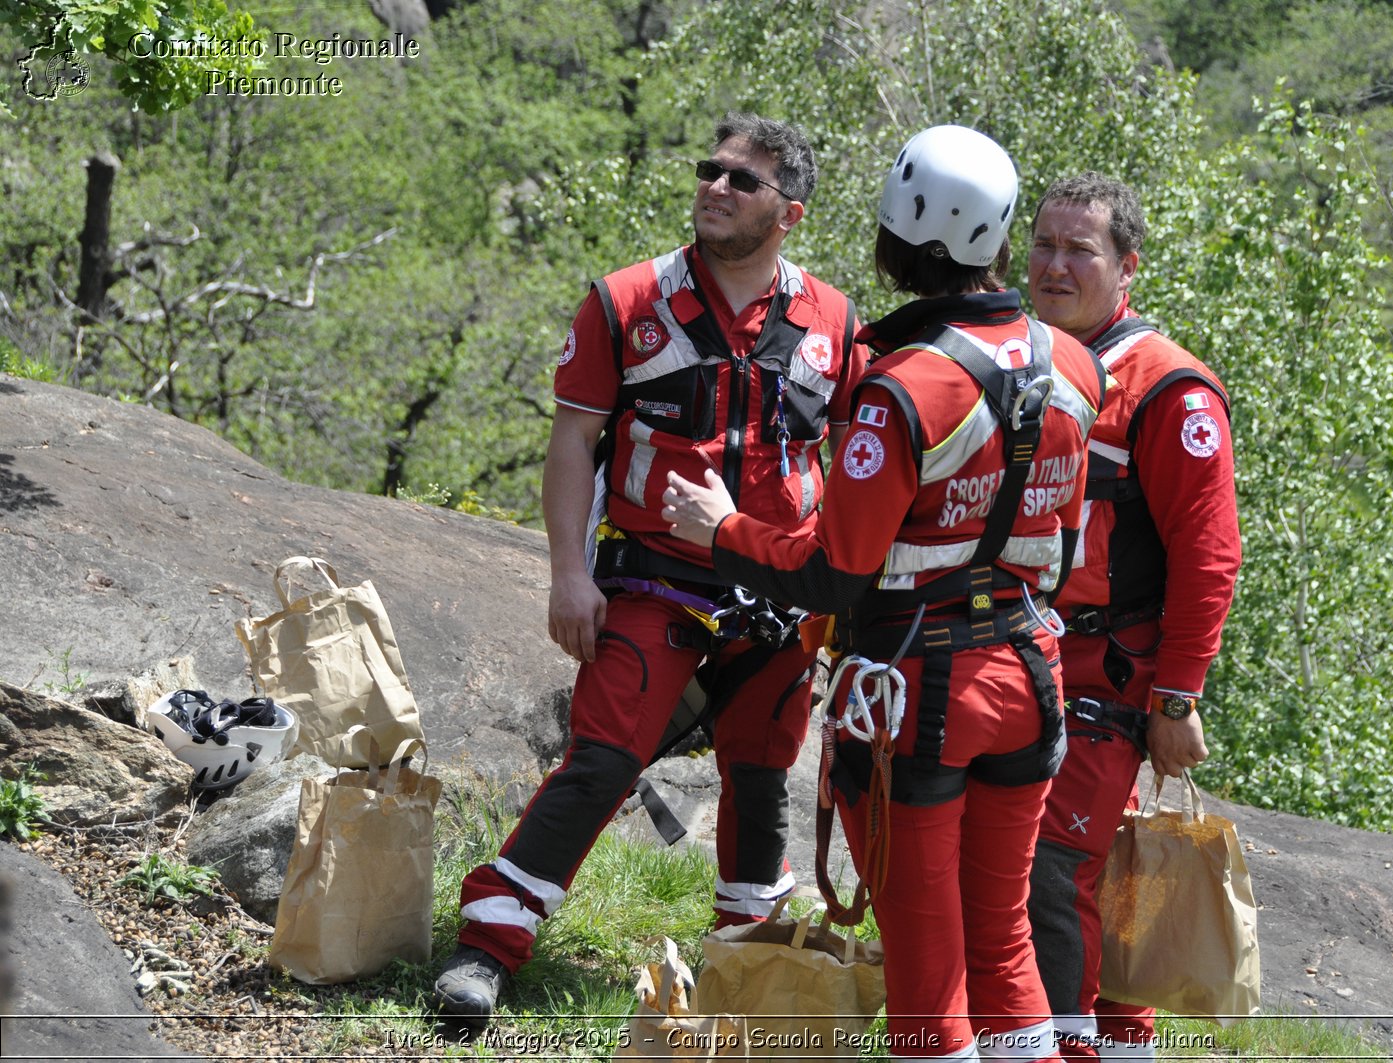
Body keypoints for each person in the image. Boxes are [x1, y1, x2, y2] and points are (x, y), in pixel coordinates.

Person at [663, 125, 1105, 1063]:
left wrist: (721, 530)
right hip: (1030, 673)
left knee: (924, 959)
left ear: (905, 230)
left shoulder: (904, 389)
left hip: (920, 693)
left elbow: (835, 571)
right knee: (1002, 933)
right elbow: (1061, 545)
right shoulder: (1074, 366)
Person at [432, 112, 869, 1018]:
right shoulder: (624, 301)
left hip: (780, 593)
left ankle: (746, 967)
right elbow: (571, 443)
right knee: (603, 755)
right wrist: (567, 575)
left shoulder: (833, 320)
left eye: (741, 180)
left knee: (760, 773)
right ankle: (489, 943)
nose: (715, 186)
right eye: (710, 169)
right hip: (652, 577)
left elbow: (862, 459)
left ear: (789, 212)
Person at [1024, 173, 1241, 1060]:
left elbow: (1209, 556)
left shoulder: (1169, 389)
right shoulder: (1018, 354)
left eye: (1081, 250)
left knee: (1053, 874)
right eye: (1044, 244)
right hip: (1015, 654)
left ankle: (1063, 1047)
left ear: (1127, 269)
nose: (1056, 264)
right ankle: (1119, 1043)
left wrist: (1178, 698)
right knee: (1072, 879)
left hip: (1107, 676)